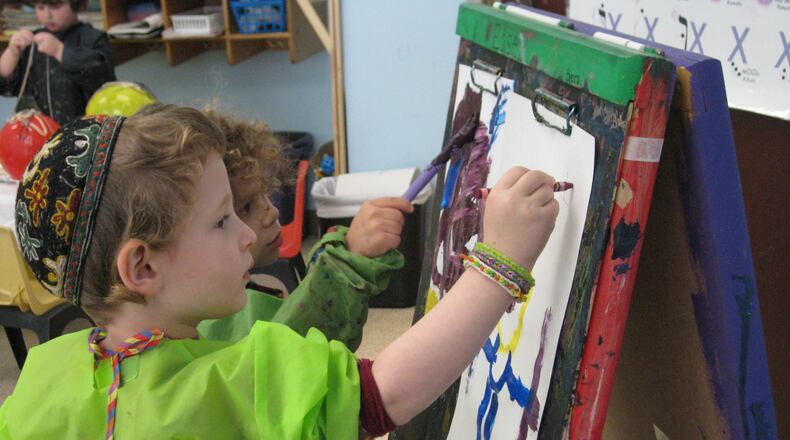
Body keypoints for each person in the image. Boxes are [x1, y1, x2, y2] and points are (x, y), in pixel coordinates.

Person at [0, 104, 559, 439]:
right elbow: (385, 392)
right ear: (142, 266)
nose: (248, 233)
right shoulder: (237, 379)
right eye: (222, 221)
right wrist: (498, 265)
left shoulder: (41, 379)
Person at [197, 109, 411, 349]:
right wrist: (346, 260)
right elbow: (288, 354)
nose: (273, 213)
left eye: (266, 195)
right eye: (246, 207)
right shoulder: (213, 321)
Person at [0, 0, 116, 124]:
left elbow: (103, 78)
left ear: (77, 4)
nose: (47, 15)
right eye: (40, 7)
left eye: (55, 6)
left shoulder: (93, 38)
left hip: (82, 129)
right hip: (37, 131)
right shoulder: (32, 41)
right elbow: (6, 82)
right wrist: (12, 52)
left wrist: (59, 50)